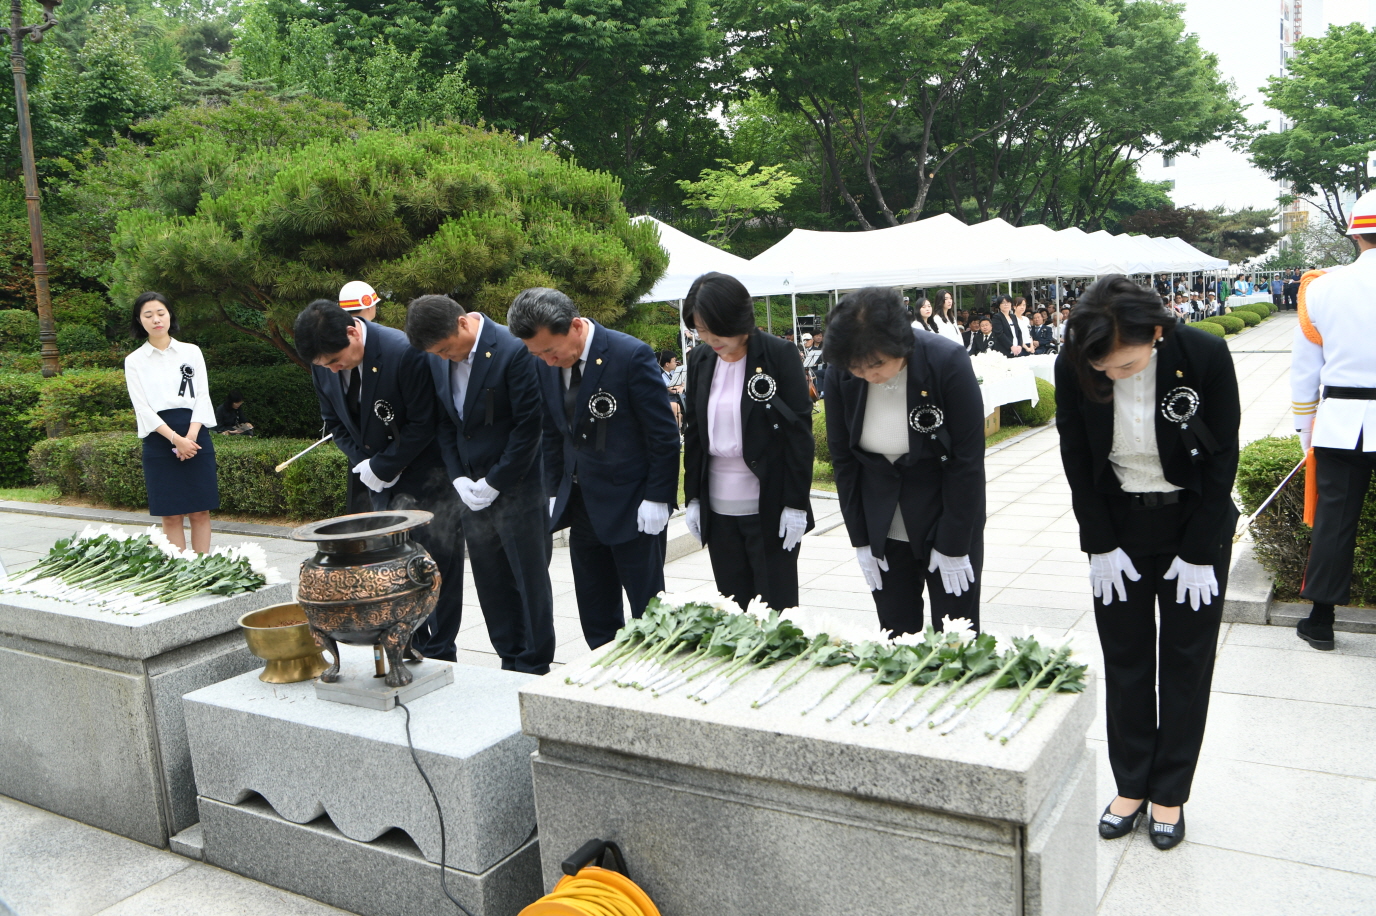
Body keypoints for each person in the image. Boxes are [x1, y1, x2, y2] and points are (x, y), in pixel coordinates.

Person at [1056, 275, 1240, 851]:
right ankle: (1131, 783)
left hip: (1192, 522)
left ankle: (1170, 792)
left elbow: (1223, 454)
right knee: (1127, 656)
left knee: (1187, 662)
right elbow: (1075, 452)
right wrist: (1099, 543)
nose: (1114, 375)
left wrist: (1199, 550)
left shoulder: (1202, 353)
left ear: (1156, 333)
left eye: (1126, 364)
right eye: (1104, 369)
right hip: (1120, 525)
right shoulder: (1077, 363)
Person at [507, 287, 681, 649]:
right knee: (595, 606)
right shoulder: (545, 364)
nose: (547, 361)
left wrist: (658, 497)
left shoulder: (628, 354)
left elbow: (663, 435)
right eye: (537, 354)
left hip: (632, 503)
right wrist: (553, 489)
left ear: (573, 326)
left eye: (550, 351)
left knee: (648, 608)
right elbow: (552, 432)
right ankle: (603, 673)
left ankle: (653, 674)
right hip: (581, 501)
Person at [294, 300, 465, 661]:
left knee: (436, 567)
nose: (334, 368)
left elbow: (425, 422)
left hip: (426, 478)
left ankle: (442, 649)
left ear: (353, 331)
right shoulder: (323, 363)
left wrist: (386, 465)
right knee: (391, 570)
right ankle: (407, 644)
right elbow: (335, 422)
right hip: (377, 481)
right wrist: (366, 465)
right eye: (325, 366)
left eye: (337, 360)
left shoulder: (403, 351)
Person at [405, 294, 555, 674]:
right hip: (471, 490)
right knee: (490, 579)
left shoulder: (511, 349)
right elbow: (444, 422)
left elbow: (528, 427)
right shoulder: (437, 358)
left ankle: (534, 663)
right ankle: (508, 655)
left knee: (528, 578)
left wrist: (496, 481)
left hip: (518, 485)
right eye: (435, 353)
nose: (442, 358)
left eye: (445, 349)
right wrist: (457, 476)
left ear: (462, 324)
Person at [824, 287, 986, 635]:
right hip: (881, 520)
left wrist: (955, 543)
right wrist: (861, 539)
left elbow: (967, 460)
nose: (868, 374)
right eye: (857, 367)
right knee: (896, 634)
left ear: (901, 342)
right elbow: (844, 459)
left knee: (956, 636)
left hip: (944, 512)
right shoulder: (842, 372)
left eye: (877, 364)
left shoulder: (946, 361)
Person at [680, 273, 815, 611]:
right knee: (733, 604)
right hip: (719, 507)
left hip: (768, 504)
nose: (708, 338)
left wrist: (796, 503)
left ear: (737, 319)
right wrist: (693, 496)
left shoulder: (778, 354)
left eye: (713, 329)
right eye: (700, 330)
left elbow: (799, 434)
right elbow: (695, 431)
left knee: (775, 607)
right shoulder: (701, 359)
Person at [1290, 191, 1376, 651]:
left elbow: (1305, 374)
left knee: (1335, 520)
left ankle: (1321, 620)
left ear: (1356, 232)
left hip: (1343, 422)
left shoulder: (1320, 287)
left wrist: (1307, 433)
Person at [124, 293, 219, 554]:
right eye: (148, 315)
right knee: (171, 514)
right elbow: (142, 407)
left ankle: (203, 568)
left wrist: (190, 436)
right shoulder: (134, 361)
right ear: (139, 320)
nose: (156, 319)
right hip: (159, 438)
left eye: (161, 313)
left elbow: (202, 395)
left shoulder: (191, 351)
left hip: (195, 432)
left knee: (200, 510)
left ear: (169, 315)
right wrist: (176, 440)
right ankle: (180, 572)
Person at [658, 350, 685, 428]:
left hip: (680, 398)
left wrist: (680, 386)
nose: (676, 363)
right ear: (667, 364)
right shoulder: (662, 376)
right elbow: (673, 390)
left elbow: (679, 385)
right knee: (676, 406)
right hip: (671, 399)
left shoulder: (675, 373)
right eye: (674, 361)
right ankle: (678, 430)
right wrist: (682, 386)